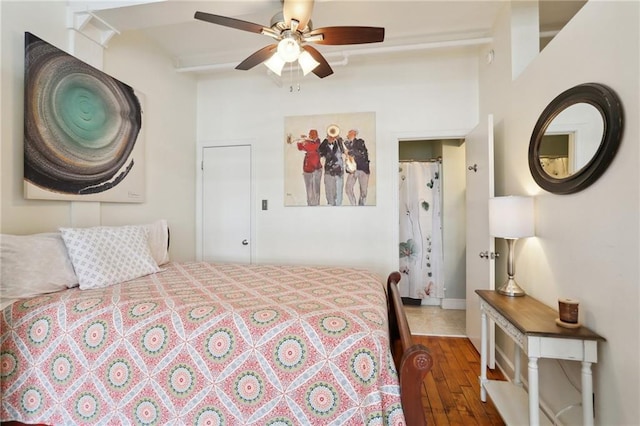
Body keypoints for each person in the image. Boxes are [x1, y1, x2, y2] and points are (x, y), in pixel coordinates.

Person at [318, 125, 345, 206]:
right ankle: (330, 206)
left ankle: (338, 207)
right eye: (329, 136)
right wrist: (326, 141)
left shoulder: (339, 142)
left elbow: (345, 150)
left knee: (339, 192)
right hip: (328, 171)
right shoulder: (324, 144)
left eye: (332, 136)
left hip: (339, 171)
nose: (331, 137)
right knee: (329, 192)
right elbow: (320, 151)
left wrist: (339, 140)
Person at [343, 129, 370, 205]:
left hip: (363, 169)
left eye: (349, 133)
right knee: (348, 189)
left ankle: (361, 207)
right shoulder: (347, 144)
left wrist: (349, 151)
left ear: (354, 134)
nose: (347, 135)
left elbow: (360, 152)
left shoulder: (360, 142)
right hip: (353, 170)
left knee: (363, 192)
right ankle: (353, 205)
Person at [296, 129, 322, 206]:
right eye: (310, 134)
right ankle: (309, 206)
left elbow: (312, 147)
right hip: (307, 169)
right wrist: (300, 140)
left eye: (313, 134)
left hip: (317, 169)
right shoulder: (308, 142)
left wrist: (305, 141)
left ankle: (316, 205)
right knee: (309, 190)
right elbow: (300, 148)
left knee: (316, 190)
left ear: (317, 135)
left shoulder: (318, 142)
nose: (312, 136)